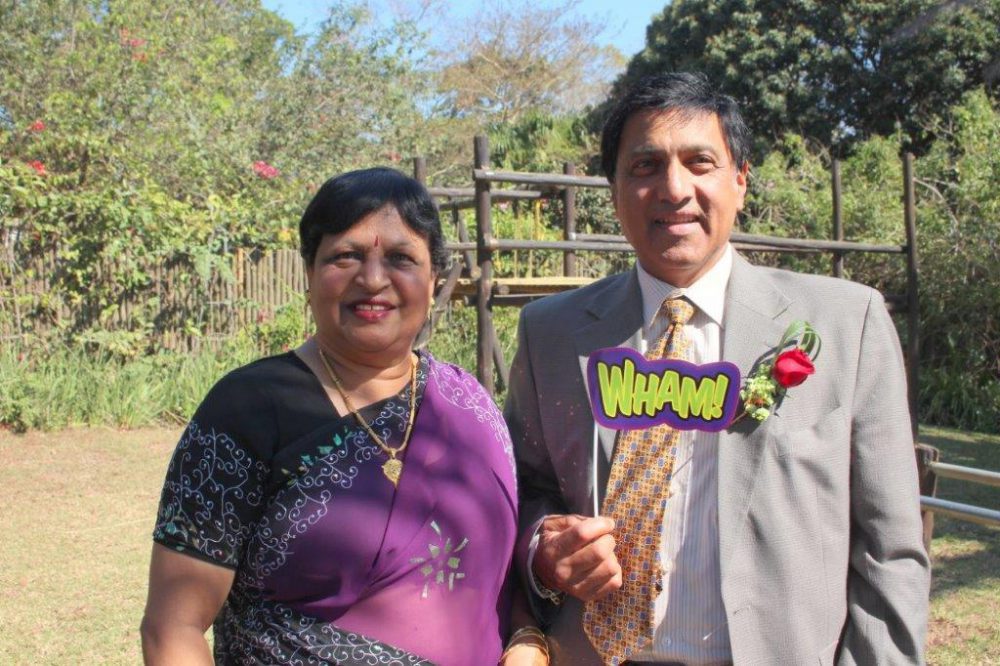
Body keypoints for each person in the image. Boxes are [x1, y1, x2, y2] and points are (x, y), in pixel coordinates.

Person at [505, 73, 930, 664]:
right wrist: (544, 552)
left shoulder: (844, 325)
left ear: (740, 180)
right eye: (645, 166)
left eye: (699, 162)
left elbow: (890, 550)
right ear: (615, 189)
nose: (674, 188)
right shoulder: (551, 333)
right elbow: (525, 491)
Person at [141, 167, 526, 665]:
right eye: (346, 256)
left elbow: (505, 573)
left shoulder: (469, 403)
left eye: (401, 258)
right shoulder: (246, 409)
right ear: (309, 273)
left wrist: (529, 642)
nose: (373, 280)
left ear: (433, 281)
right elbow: (174, 627)